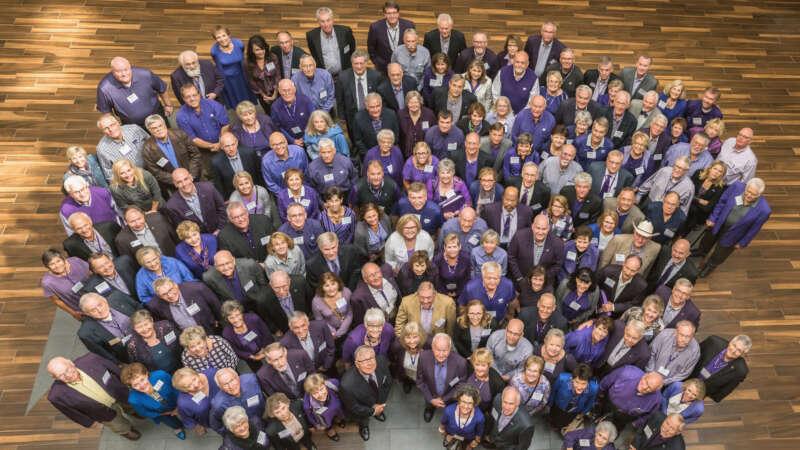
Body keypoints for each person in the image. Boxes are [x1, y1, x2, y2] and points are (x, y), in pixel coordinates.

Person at [46, 354, 141, 441]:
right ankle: (126, 431)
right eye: (61, 375)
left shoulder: (91, 359)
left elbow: (115, 369)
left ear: (71, 362)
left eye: (67, 369)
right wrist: (89, 423)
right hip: (101, 412)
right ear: (55, 378)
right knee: (117, 425)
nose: (68, 375)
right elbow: (71, 413)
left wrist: (130, 382)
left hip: (119, 393)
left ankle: (133, 412)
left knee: (130, 404)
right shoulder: (55, 396)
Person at [699, 178, 770, 277]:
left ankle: (710, 266)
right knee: (707, 240)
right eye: (748, 191)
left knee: (720, 254)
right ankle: (700, 254)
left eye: (753, 194)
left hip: (734, 234)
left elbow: (754, 229)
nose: (749, 196)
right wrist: (713, 218)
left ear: (759, 195)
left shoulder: (764, 210)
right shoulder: (736, 186)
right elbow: (722, 202)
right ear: (746, 187)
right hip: (719, 223)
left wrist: (742, 243)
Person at [96, 57, 173, 127]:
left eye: (126, 69)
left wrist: (168, 105)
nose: (124, 74)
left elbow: (162, 88)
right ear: (112, 72)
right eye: (119, 71)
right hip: (132, 125)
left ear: (130, 67)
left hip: (156, 115)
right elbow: (106, 111)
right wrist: (114, 125)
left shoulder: (145, 74)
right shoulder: (104, 88)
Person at [340, 345, 394, 441]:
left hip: (380, 398)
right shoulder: (347, 385)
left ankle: (379, 412)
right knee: (363, 419)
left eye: (371, 358)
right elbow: (354, 407)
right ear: (357, 364)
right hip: (364, 408)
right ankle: (364, 427)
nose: (369, 363)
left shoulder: (381, 360)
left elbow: (388, 381)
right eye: (364, 361)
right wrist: (373, 411)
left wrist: (381, 402)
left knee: (379, 408)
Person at [142, 114, 202, 194]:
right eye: (154, 128)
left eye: (160, 125)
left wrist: (191, 175)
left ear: (165, 124)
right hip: (174, 186)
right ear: (150, 131)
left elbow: (195, 154)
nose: (159, 129)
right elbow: (156, 172)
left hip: (194, 178)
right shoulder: (147, 149)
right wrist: (177, 180)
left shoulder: (180, 134)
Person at [121, 363, 186, 439]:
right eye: (136, 385)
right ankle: (177, 427)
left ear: (146, 374)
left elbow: (175, 387)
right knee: (170, 421)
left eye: (142, 379)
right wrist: (165, 413)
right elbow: (144, 412)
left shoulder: (161, 375)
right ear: (131, 386)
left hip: (176, 400)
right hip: (162, 413)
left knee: (186, 411)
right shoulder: (134, 400)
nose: (142, 385)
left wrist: (179, 405)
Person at [416, 333, 468, 422]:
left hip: (450, 396)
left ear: (450, 348)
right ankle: (430, 408)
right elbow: (420, 381)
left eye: (445, 350)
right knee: (429, 404)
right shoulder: (423, 357)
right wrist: (431, 399)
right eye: (438, 350)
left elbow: (461, 385)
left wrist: (445, 399)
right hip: (430, 395)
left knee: (450, 412)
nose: (441, 354)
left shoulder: (461, 363)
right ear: (432, 347)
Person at [77, 291, 141, 364]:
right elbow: (104, 355)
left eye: (100, 305)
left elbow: (140, 309)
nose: (100, 310)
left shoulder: (119, 297)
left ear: (104, 300)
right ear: (87, 314)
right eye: (93, 310)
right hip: (130, 359)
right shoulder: (86, 334)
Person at [598, 366, 664, 430]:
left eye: (649, 388)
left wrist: (637, 422)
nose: (644, 387)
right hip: (609, 402)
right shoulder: (626, 372)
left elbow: (650, 414)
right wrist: (601, 391)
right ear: (645, 376)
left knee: (614, 429)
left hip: (625, 417)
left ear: (654, 391)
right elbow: (608, 379)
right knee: (600, 414)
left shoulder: (656, 399)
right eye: (646, 382)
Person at [508, 214, 565, 287]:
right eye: (538, 228)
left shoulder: (557, 243)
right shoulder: (519, 236)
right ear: (532, 226)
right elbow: (511, 257)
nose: (540, 232)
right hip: (520, 279)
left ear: (548, 228)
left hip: (543, 283)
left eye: (544, 229)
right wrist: (519, 278)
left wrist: (542, 279)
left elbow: (557, 264)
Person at [166, 168, 228, 235]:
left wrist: (219, 230)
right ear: (175, 184)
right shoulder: (172, 206)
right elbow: (182, 229)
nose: (184, 184)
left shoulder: (209, 188)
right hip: (198, 240)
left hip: (221, 231)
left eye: (186, 179)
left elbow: (222, 209)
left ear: (191, 178)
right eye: (179, 182)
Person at [691, 334, 751, 402]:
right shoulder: (712, 342)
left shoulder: (740, 371)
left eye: (739, 351)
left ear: (742, 354)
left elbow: (726, 390)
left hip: (700, 393)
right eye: (734, 345)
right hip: (687, 376)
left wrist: (709, 395)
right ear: (730, 342)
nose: (734, 351)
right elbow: (694, 354)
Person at [150, 276, 221, 334]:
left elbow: (216, 306)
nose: (170, 295)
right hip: (189, 341)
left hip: (212, 331)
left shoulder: (197, 288)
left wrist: (218, 321)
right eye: (164, 294)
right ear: (159, 296)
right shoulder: (156, 306)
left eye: (170, 290)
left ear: (175, 285)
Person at [94, 114, 150, 183]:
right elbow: (109, 174)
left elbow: (151, 142)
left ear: (118, 123)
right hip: (131, 180)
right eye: (106, 128)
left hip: (151, 168)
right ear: (103, 131)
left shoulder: (134, 129)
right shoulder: (102, 149)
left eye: (112, 125)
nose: (110, 129)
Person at [220, 300, 274, 372]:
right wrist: (253, 357)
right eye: (231, 317)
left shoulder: (253, 319)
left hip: (267, 348)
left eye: (237, 315)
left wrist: (265, 350)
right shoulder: (227, 333)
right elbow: (237, 350)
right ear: (227, 319)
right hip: (251, 358)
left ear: (241, 313)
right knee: (262, 374)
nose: (236, 320)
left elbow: (267, 334)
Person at [210, 26, 256, 109]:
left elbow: (242, 58)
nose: (222, 39)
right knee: (236, 101)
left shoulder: (239, 44)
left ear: (228, 35)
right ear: (215, 39)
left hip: (241, 76)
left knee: (246, 96)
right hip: (228, 80)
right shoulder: (214, 51)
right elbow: (219, 67)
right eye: (218, 37)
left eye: (224, 35)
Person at [125, 309, 182, 373]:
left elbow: (181, 341)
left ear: (152, 321)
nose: (144, 329)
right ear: (134, 329)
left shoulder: (166, 326)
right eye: (139, 327)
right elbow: (136, 367)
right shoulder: (132, 345)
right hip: (159, 377)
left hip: (182, 366)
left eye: (146, 324)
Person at [646, 320, 700, 386]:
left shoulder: (695, 350)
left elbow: (684, 373)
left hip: (667, 384)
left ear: (692, 336)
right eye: (681, 335)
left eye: (687, 336)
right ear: (676, 332)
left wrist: (663, 383)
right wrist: (651, 374)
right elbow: (651, 353)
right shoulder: (664, 335)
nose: (683, 339)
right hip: (649, 375)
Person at [210, 368, 265, 432]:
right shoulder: (218, 405)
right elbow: (216, 426)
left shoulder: (252, 380)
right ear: (220, 387)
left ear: (237, 377)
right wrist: (235, 431)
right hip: (248, 430)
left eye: (232, 380)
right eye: (225, 384)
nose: (231, 386)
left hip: (265, 417)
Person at [367, 1, 415, 74]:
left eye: (394, 13)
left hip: (404, 66)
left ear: (398, 13)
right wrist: (376, 62)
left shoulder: (409, 25)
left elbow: (413, 44)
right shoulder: (375, 27)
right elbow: (371, 47)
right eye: (389, 13)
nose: (392, 16)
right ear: (385, 15)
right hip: (383, 68)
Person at [306, 7, 356, 76]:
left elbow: (352, 49)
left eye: (328, 20)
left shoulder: (345, 31)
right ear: (318, 22)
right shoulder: (311, 36)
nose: (326, 24)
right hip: (325, 76)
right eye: (322, 21)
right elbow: (315, 55)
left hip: (344, 74)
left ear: (333, 20)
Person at [211, 133, 262, 199]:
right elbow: (219, 185)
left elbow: (259, 174)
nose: (231, 148)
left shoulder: (250, 153)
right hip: (234, 197)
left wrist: (261, 191)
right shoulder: (216, 162)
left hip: (255, 192)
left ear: (237, 142)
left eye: (233, 144)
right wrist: (226, 200)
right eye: (227, 146)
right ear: (221, 147)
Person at [547, 363, 598, 431]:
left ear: (588, 382)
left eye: (583, 384)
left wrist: (583, 413)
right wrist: (550, 403)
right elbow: (554, 391)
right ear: (572, 379)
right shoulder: (562, 378)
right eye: (577, 382)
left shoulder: (594, 388)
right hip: (558, 405)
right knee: (553, 416)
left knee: (566, 421)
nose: (579, 387)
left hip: (575, 410)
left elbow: (590, 401)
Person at [261, 270, 313, 335]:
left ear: (289, 282)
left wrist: (311, 317)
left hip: (306, 323)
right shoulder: (263, 299)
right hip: (286, 329)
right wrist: (275, 330)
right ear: (271, 285)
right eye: (277, 288)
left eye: (284, 286)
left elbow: (311, 300)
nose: (281, 291)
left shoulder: (300, 282)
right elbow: (266, 318)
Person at [172, 366, 219, 436]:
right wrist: (199, 428)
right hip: (213, 422)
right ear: (184, 390)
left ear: (196, 373)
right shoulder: (184, 403)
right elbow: (188, 419)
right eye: (189, 386)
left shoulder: (213, 373)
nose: (196, 385)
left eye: (194, 379)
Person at [353, 92, 401, 161]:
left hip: (389, 154)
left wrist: (387, 151)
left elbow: (396, 136)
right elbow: (358, 141)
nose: (375, 110)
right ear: (366, 107)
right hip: (369, 156)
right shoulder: (358, 118)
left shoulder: (391, 114)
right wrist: (370, 155)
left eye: (378, 106)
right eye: (372, 107)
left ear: (381, 105)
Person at [438, 384, 485, 450]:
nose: (466, 406)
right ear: (458, 400)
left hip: (468, 439)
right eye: (463, 401)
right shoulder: (449, 410)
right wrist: (445, 435)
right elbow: (443, 424)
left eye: (470, 403)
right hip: (451, 434)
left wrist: (475, 442)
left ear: (474, 403)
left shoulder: (480, 417)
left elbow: (479, 432)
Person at [271, 80, 314, 149]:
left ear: (294, 89)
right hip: (290, 142)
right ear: (279, 91)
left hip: (309, 137)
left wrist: (304, 137)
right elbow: (277, 127)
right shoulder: (275, 107)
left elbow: (313, 120)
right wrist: (292, 140)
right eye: (284, 90)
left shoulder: (305, 101)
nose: (287, 93)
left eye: (289, 90)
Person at [302, 373, 345, 442]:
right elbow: (310, 416)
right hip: (324, 418)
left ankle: (338, 420)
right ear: (309, 393)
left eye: (322, 389)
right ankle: (329, 429)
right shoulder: (307, 404)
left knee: (338, 416)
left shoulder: (333, 384)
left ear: (324, 384)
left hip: (337, 409)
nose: (321, 394)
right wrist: (316, 424)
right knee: (327, 424)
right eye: (315, 393)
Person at [244, 35, 281, 114]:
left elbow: (277, 76)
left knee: (279, 112)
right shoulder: (247, 63)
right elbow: (252, 81)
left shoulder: (272, 57)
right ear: (252, 51)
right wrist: (264, 96)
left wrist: (274, 95)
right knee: (268, 112)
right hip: (262, 94)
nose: (261, 52)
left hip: (276, 92)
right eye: (257, 50)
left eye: (262, 48)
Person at [433, 233, 471, 298]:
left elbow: (467, 278)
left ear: (459, 247)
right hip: (441, 292)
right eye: (449, 247)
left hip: (461, 291)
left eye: (454, 247)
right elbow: (436, 280)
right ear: (444, 247)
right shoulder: (438, 259)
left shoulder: (465, 258)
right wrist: (445, 293)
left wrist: (458, 292)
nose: (452, 250)